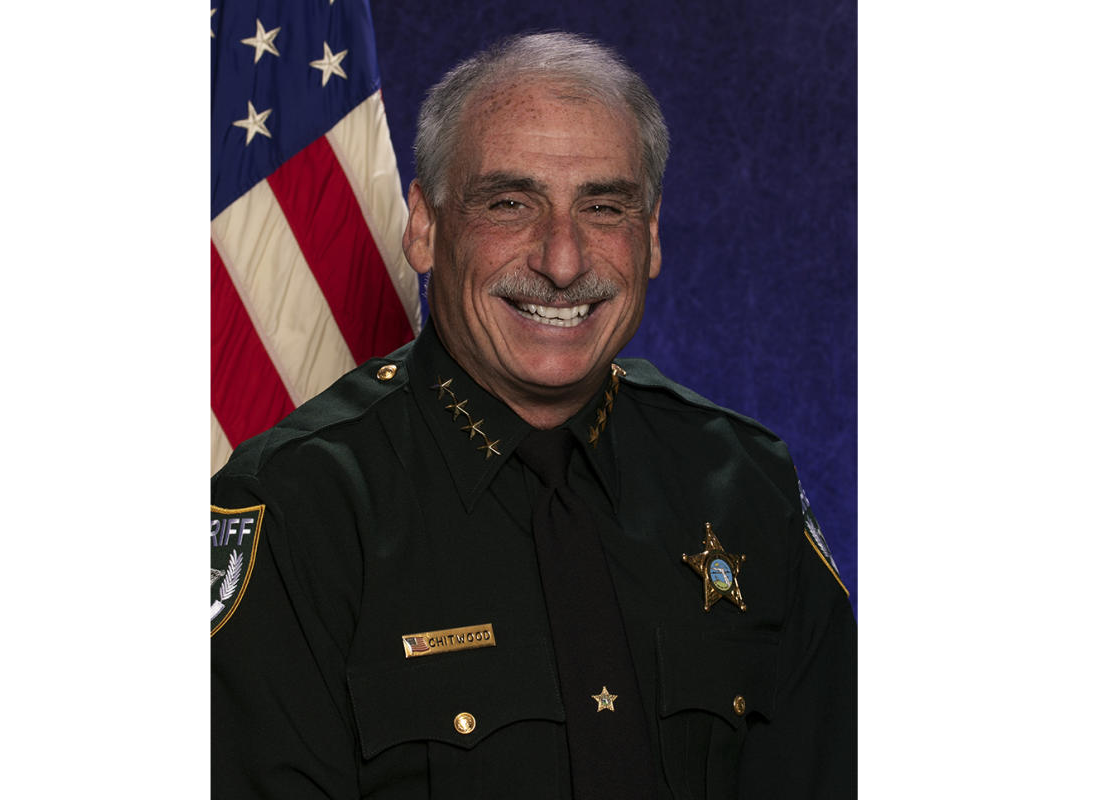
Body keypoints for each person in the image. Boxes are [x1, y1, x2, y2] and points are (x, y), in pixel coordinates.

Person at [212, 32, 855, 799]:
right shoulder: (298, 509)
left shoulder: (746, 483)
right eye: (510, 204)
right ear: (424, 227)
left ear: (651, 237)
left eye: (604, 207)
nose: (562, 261)